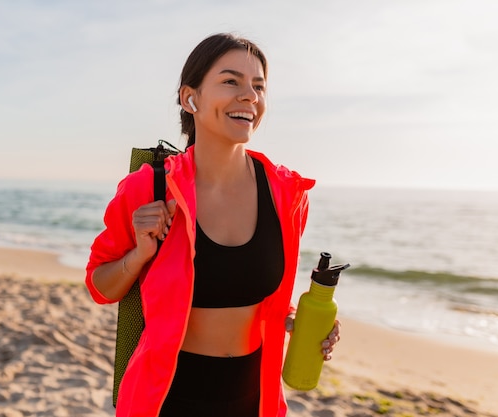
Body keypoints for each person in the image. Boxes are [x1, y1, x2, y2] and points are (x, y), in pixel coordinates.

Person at [85, 32, 341, 417]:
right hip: (166, 398)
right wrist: (139, 255)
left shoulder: (286, 194)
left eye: (259, 86)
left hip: (252, 398)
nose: (250, 96)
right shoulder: (150, 187)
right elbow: (100, 286)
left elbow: (263, 295)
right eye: (230, 81)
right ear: (191, 98)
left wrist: (298, 323)